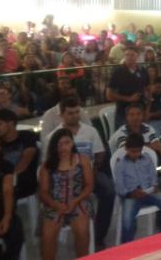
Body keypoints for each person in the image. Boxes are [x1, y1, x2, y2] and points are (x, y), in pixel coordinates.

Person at [47, 96, 114, 249]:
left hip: (90, 172)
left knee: (109, 191)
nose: (75, 116)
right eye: (70, 113)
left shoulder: (90, 131)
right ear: (62, 115)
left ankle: (98, 236)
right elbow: (50, 164)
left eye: (77, 112)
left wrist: (93, 170)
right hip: (65, 178)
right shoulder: (54, 137)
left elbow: (100, 154)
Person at [39, 128, 94, 260]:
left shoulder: (82, 160)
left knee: (82, 232)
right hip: (54, 203)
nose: (63, 148)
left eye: (67, 143)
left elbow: (89, 185)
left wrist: (75, 200)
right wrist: (55, 204)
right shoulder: (47, 165)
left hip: (78, 201)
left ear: (72, 143)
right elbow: (43, 192)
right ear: (54, 147)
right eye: (59, 144)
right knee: (47, 236)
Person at [112, 133, 161, 243]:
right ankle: (127, 247)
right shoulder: (121, 164)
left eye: (138, 151)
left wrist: (154, 185)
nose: (136, 154)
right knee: (127, 221)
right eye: (133, 151)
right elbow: (119, 186)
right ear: (126, 149)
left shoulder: (147, 158)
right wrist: (130, 193)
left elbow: (153, 174)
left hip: (149, 191)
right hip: (131, 195)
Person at [0, 133, 24, 260]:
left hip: (1, 207)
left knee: (15, 229)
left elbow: (8, 191)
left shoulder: (5, 165)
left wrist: (7, 216)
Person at [0, 110, 38, 200]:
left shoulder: (27, 136)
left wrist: (10, 178)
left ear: (11, 124)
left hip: (23, 183)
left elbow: (25, 160)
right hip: (0, 185)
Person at [106, 47, 149, 129]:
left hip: (140, 113)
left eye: (132, 55)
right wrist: (128, 99)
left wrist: (147, 110)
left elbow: (147, 90)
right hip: (123, 113)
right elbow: (108, 95)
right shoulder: (118, 72)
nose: (129, 57)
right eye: (127, 55)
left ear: (137, 56)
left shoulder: (143, 70)